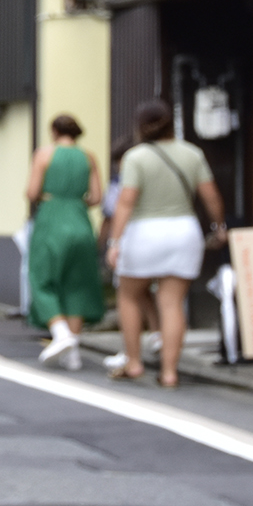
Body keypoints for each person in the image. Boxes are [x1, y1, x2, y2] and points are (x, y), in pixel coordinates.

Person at [106, 99, 225, 387]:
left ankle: (134, 362)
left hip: (143, 233)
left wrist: (114, 241)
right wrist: (219, 227)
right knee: (172, 303)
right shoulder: (192, 154)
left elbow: (126, 201)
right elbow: (210, 195)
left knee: (129, 296)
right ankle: (169, 372)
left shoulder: (136, 157)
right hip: (184, 232)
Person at [26, 114, 106, 369]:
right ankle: (74, 354)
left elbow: (31, 192)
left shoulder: (44, 154)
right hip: (81, 222)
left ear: (53, 131)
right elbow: (96, 197)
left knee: (42, 278)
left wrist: (53, 196)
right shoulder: (89, 157)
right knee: (77, 284)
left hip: (52, 220)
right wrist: (75, 200)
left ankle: (60, 334)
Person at [100, 134, 160, 373]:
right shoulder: (152, 177)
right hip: (155, 239)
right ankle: (157, 336)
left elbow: (111, 213)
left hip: (130, 242)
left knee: (128, 295)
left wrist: (107, 242)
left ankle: (131, 354)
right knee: (145, 292)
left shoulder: (121, 182)